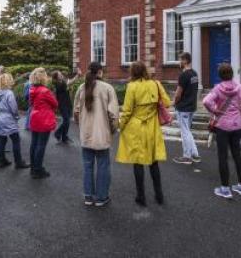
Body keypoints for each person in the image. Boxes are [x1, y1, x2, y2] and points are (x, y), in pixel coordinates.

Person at [202, 63, 241, 199]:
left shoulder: (217, 89)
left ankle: (225, 189)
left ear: (220, 75)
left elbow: (206, 101)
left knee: (222, 157)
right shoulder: (240, 88)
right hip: (237, 126)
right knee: (237, 155)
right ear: (232, 74)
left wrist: (214, 110)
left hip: (222, 126)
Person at [116, 61, 171, 206]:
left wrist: (120, 126)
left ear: (133, 72)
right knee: (154, 162)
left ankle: (141, 196)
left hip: (136, 126)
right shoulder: (156, 84)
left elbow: (127, 111)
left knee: (138, 162)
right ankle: (159, 195)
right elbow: (167, 102)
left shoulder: (132, 87)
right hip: (152, 126)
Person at [73, 62, 119, 207]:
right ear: (100, 72)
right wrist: (112, 130)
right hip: (102, 134)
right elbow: (114, 115)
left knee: (87, 166)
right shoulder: (107, 88)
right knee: (103, 166)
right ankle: (101, 197)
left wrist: (81, 126)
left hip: (86, 133)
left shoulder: (81, 87)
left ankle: (88, 196)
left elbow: (76, 112)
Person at [0, 73, 29, 169]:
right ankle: (18, 162)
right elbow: (13, 108)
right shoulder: (9, 93)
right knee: (16, 140)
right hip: (8, 118)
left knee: (1, 140)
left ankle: (2, 160)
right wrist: (16, 117)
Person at [29, 68, 58, 179]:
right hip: (44, 118)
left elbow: (31, 102)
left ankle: (33, 168)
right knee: (41, 145)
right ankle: (38, 169)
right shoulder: (45, 91)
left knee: (34, 144)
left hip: (35, 116)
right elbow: (55, 103)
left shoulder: (32, 89)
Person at [172, 52, 201, 165]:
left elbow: (178, 93)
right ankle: (195, 154)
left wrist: (174, 102)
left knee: (185, 132)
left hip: (183, 107)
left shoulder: (183, 75)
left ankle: (187, 156)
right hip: (191, 106)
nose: (179, 62)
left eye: (180, 59)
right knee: (188, 131)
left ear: (185, 60)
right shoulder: (194, 74)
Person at [52, 68, 82, 144]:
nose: (61, 74)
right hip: (62, 105)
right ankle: (58, 133)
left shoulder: (62, 82)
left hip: (67, 103)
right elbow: (70, 82)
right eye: (59, 74)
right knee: (66, 121)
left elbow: (68, 84)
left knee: (67, 121)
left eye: (60, 73)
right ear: (56, 77)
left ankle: (64, 137)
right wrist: (77, 75)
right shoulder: (58, 84)